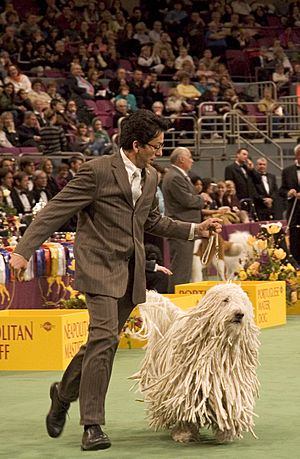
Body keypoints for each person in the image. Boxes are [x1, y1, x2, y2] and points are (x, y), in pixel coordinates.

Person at [9, 110, 222, 451]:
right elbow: (54, 210)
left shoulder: (151, 176)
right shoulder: (95, 172)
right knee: (105, 338)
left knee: (99, 343)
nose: (159, 151)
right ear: (135, 145)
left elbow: (152, 220)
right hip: (98, 267)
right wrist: (22, 251)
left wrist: (196, 230)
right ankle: (92, 425)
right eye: (155, 146)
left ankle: (62, 394)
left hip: (131, 272)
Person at [162, 147, 205, 292]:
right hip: (180, 229)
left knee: (184, 270)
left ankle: (179, 300)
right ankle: (174, 302)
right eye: (190, 157)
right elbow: (187, 201)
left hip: (186, 229)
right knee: (180, 272)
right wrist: (202, 198)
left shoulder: (178, 175)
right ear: (181, 160)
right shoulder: (174, 177)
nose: (192, 161)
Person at [279, 144, 300, 264]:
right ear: (296, 155)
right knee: (295, 241)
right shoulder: (287, 171)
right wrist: (289, 192)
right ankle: (296, 267)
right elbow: (281, 190)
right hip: (294, 212)